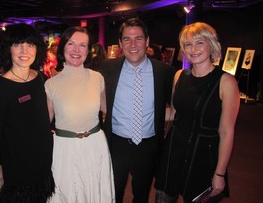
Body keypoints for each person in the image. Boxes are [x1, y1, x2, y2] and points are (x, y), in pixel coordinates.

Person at [154, 22, 240, 203]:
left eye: (199, 43)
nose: (193, 49)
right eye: (188, 44)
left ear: (211, 44)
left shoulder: (226, 82)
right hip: (173, 151)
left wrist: (219, 173)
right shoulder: (180, 76)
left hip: (204, 157)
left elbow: (226, 132)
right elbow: (173, 115)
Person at [99, 18, 175, 203]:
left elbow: (174, 107)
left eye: (138, 38)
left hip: (148, 146)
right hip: (116, 144)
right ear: (120, 43)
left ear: (147, 41)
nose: (133, 44)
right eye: (127, 39)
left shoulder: (165, 72)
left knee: (141, 195)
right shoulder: (106, 69)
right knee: (112, 193)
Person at [0, 23, 55, 202]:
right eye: (18, 44)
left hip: (42, 165)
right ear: (8, 49)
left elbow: (45, 118)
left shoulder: (41, 79)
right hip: (16, 171)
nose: (24, 51)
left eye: (30, 44)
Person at [45, 26, 115, 203]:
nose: (77, 50)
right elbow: (44, 122)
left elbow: (109, 110)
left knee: (95, 192)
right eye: (71, 44)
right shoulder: (51, 84)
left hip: (95, 146)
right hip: (64, 149)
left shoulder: (97, 78)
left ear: (88, 50)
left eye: (82, 45)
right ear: (63, 48)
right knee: (67, 192)